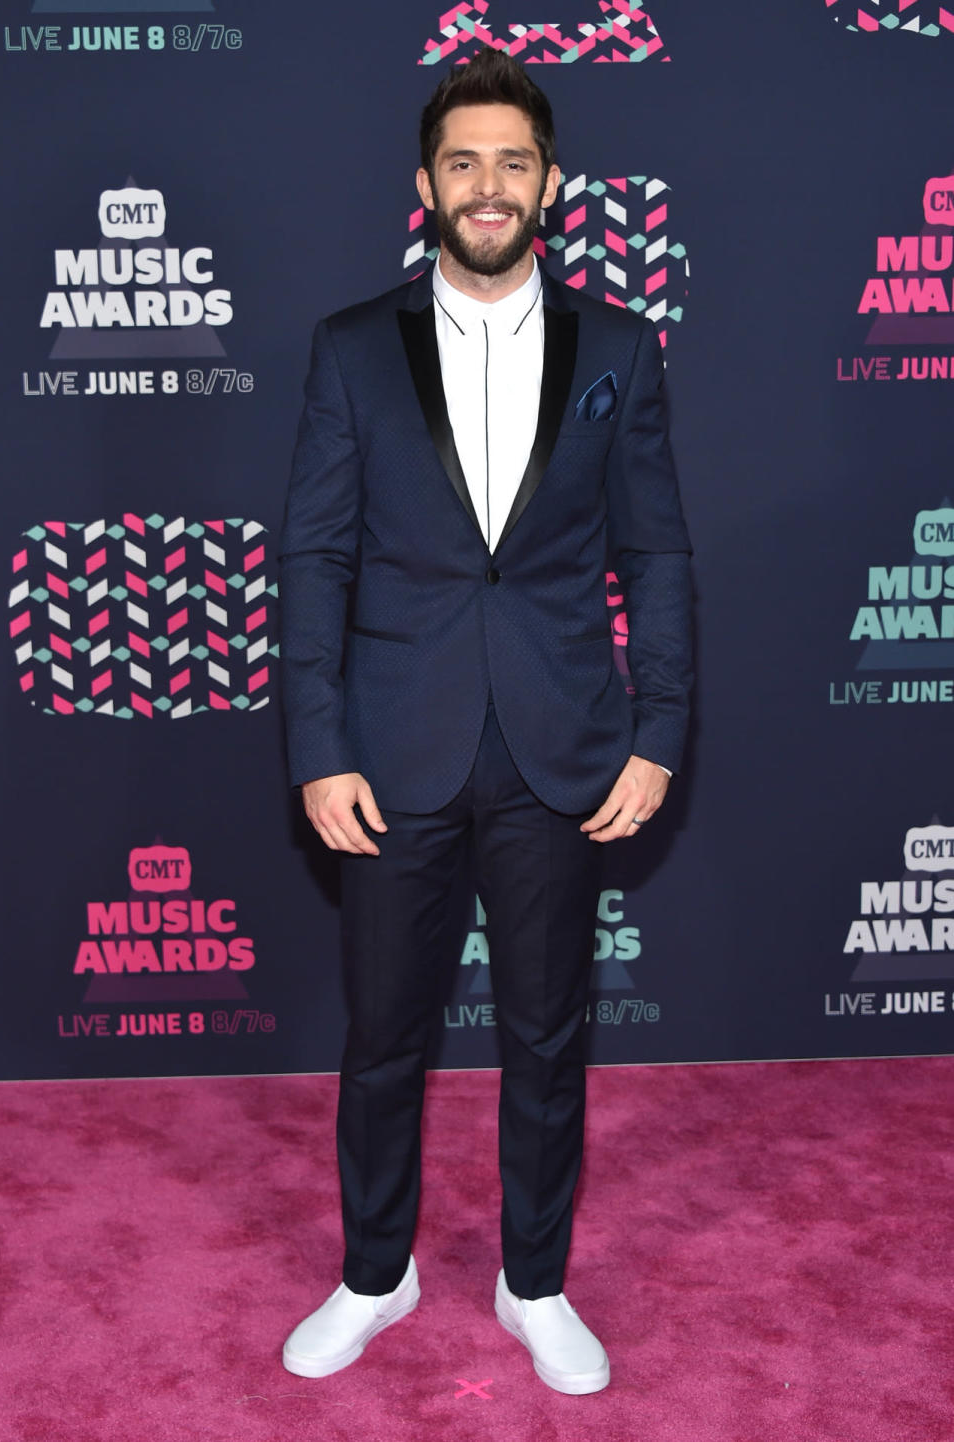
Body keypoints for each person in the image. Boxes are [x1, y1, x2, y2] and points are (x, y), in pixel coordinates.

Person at [278, 48, 692, 1395]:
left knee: (547, 1033)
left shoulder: (620, 347)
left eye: (514, 160)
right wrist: (318, 743)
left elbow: (661, 555)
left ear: (551, 183)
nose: (490, 184)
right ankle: (373, 1270)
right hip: (393, 750)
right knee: (383, 1033)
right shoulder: (351, 348)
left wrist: (661, 723)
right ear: (426, 185)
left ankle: (534, 1280)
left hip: (560, 746)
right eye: (465, 161)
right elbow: (316, 561)